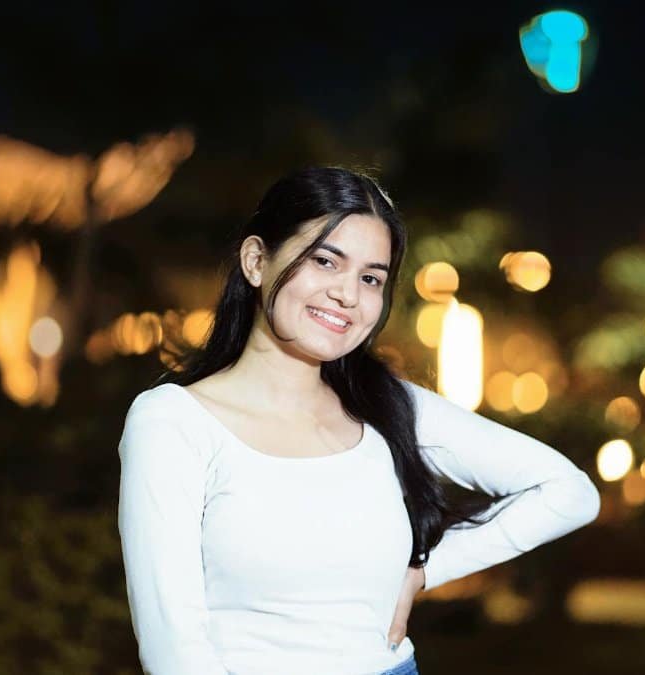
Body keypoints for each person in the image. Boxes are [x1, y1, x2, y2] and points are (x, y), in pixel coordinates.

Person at [117, 167, 601, 674]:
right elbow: (174, 655)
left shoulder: (390, 407)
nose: (348, 295)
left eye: (371, 278)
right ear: (256, 260)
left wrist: (426, 571)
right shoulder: (174, 422)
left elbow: (569, 492)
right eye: (325, 261)